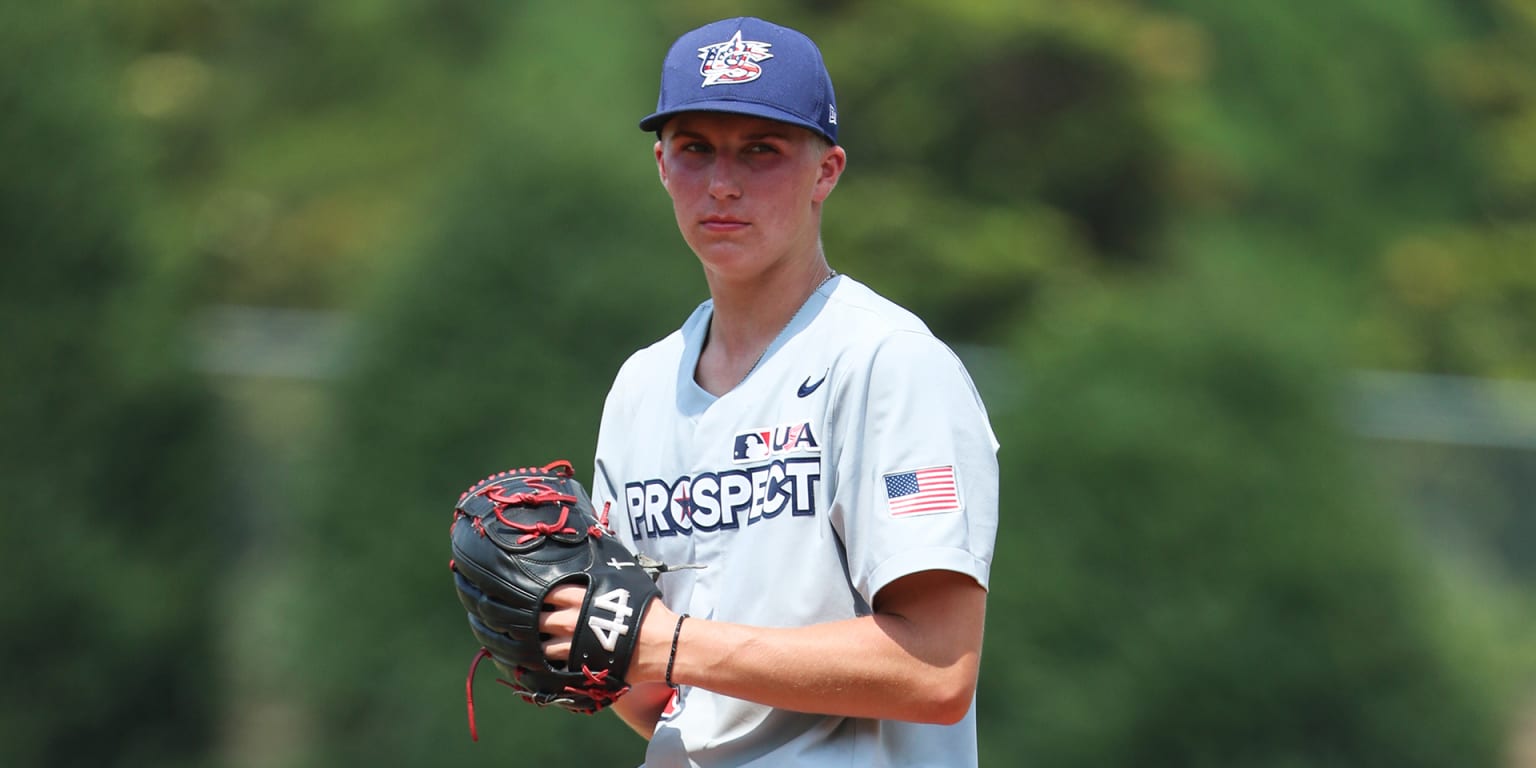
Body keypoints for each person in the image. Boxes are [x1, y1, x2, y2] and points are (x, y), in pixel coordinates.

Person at [538, 16, 999, 767]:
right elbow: (668, 700)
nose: (723, 182)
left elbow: (937, 668)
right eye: (696, 149)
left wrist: (672, 644)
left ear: (828, 171)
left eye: (762, 150)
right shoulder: (641, 388)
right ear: (661, 164)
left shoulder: (888, 364)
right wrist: (565, 634)